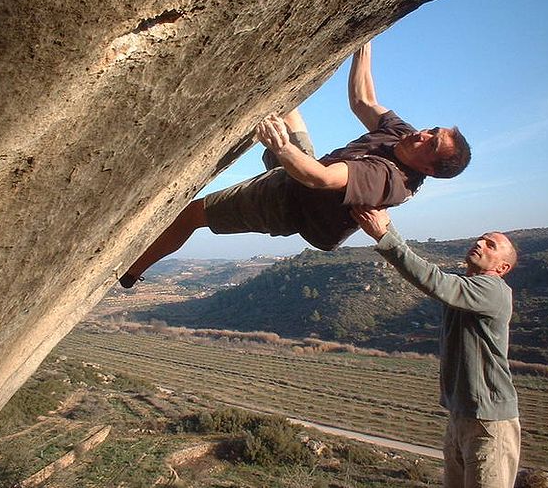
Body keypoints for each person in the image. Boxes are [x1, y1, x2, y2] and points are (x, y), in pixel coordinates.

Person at [119, 42, 471, 287]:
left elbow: (320, 178)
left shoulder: (390, 180)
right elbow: (363, 99)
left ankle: (132, 271)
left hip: (292, 206)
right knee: (288, 105)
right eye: (431, 130)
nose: (422, 135)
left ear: (429, 169)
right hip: (303, 174)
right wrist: (364, 41)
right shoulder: (402, 134)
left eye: (432, 143)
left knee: (193, 214)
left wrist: (281, 147)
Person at [350, 206, 520, 488]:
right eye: (481, 238)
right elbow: (433, 278)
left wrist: (384, 235)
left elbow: (433, 280)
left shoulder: (493, 291)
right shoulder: (469, 287)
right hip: (462, 415)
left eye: (491, 245)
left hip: (489, 422)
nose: (479, 243)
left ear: (502, 268)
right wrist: (386, 225)